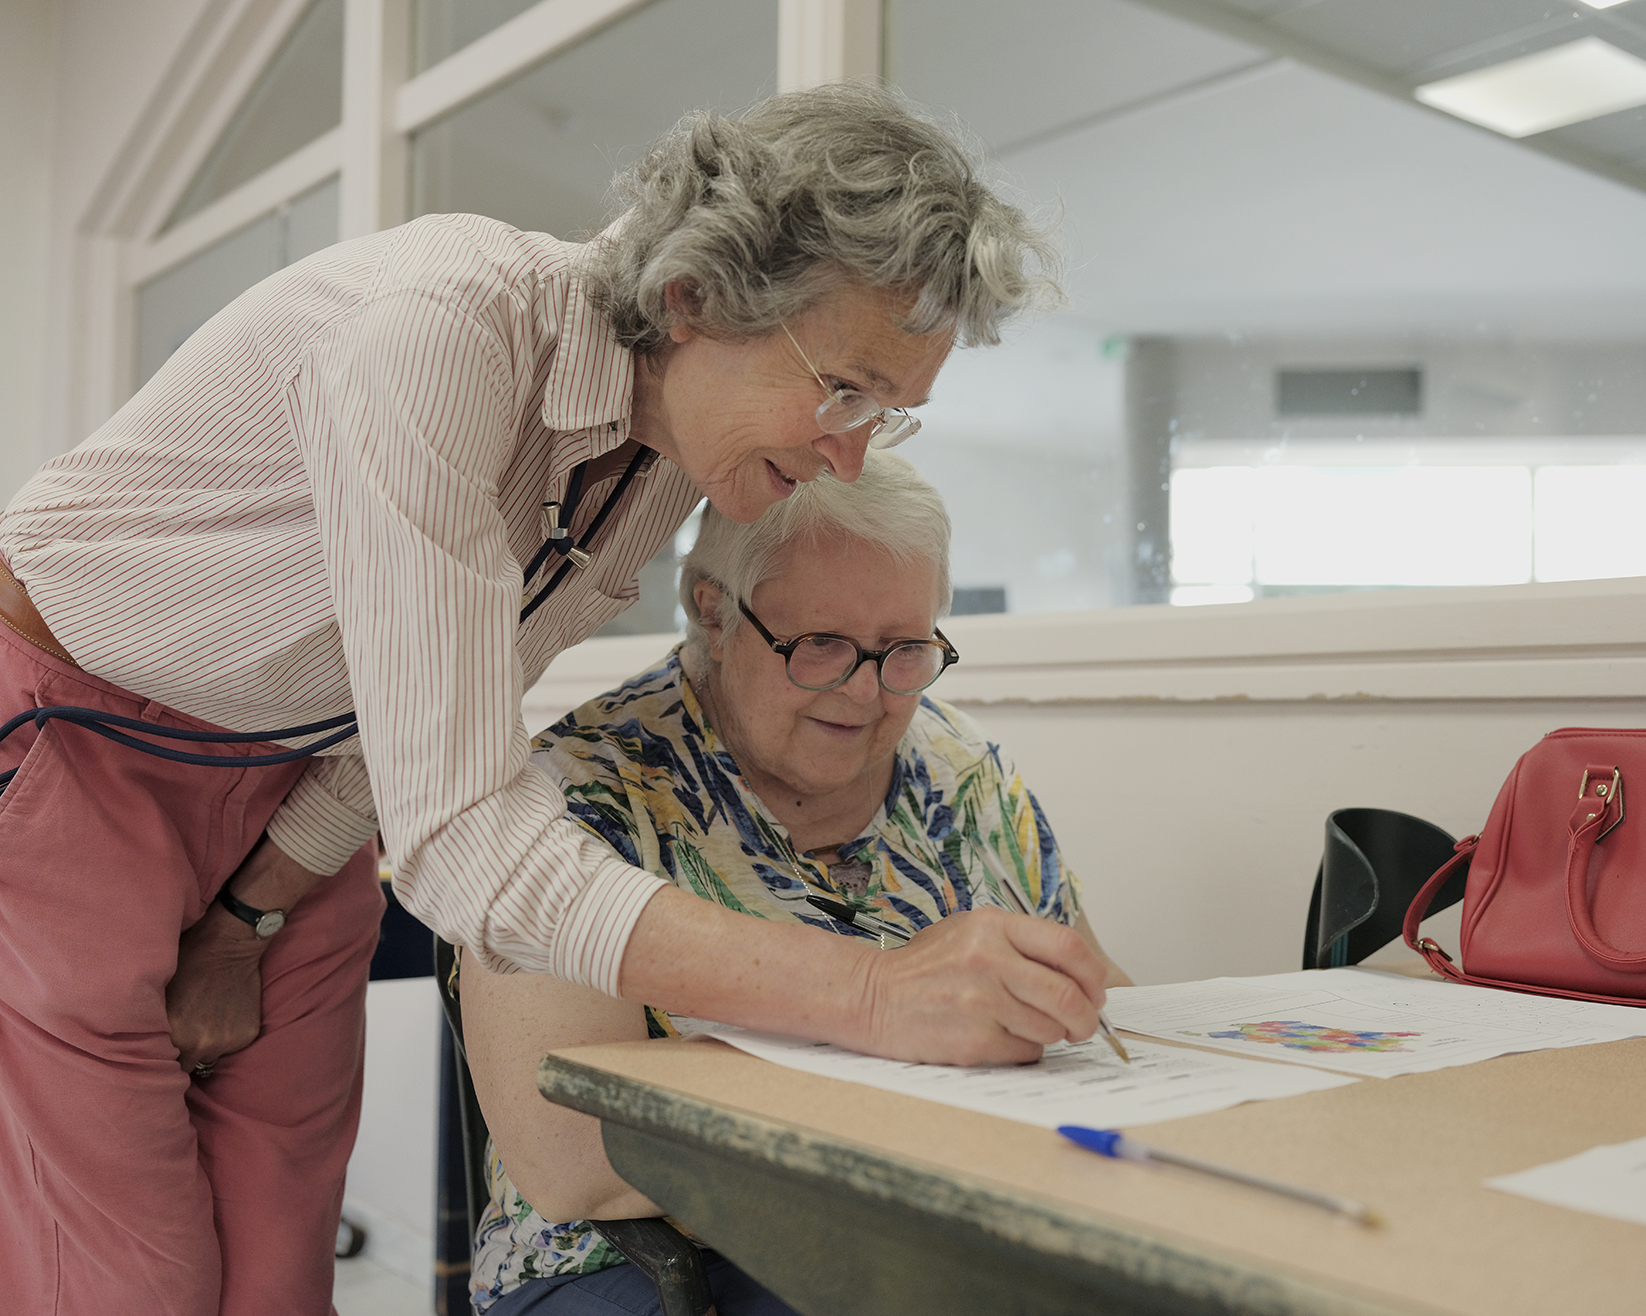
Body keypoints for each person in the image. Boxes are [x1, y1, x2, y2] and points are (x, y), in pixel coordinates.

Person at [0, 85, 1106, 1314]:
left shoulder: (657, 456)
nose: (851, 455)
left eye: (888, 410)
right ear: (694, 298)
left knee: (280, 1240)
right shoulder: (433, 327)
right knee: (122, 1269)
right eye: (841, 390)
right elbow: (466, 829)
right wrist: (869, 991)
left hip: (300, 769)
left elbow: (430, 716)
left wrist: (250, 916)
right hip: (68, 731)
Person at [459, 451, 1131, 1314]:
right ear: (714, 612)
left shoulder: (960, 771)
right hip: (643, 1265)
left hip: (939, 1230)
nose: (865, 691)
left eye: (905, 651)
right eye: (820, 646)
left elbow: (1100, 996)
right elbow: (574, 1164)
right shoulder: (578, 796)